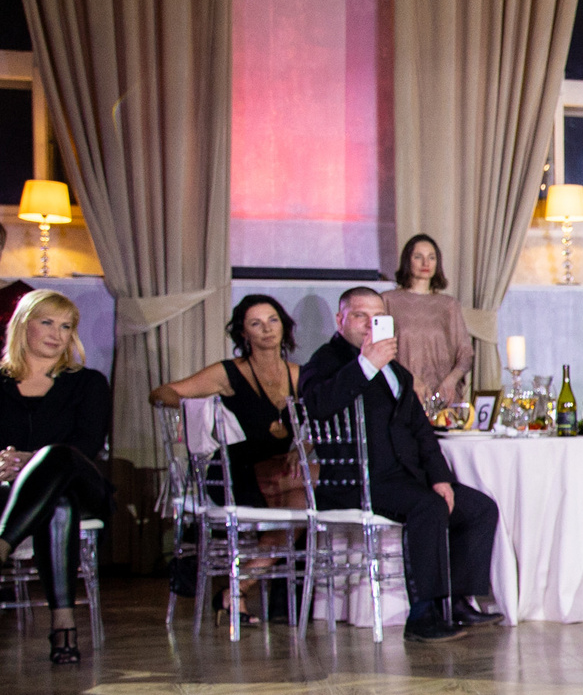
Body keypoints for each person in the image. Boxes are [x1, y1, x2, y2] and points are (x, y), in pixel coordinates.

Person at [300, 286, 503, 643]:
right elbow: (318, 405)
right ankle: (424, 613)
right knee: (427, 507)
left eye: (377, 318)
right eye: (360, 316)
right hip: (354, 480)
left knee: (479, 508)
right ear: (340, 319)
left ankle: (457, 601)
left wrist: (441, 478)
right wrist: (366, 365)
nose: (368, 325)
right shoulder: (326, 360)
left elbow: (422, 433)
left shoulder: (397, 372)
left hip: (402, 477)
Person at [0, 291, 112, 664]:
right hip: (14, 493)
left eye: (66, 326)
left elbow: (88, 444)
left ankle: (1, 545)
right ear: (23, 325)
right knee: (56, 504)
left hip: (84, 485)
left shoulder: (88, 383)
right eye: (47, 322)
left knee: (58, 456)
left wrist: (31, 460)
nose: (56, 333)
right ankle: (63, 622)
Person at [151, 294, 308, 509]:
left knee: (303, 494)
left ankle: (270, 543)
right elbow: (161, 393)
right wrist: (191, 409)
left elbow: (323, 415)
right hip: (233, 475)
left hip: (278, 471)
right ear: (244, 333)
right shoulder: (229, 372)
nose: (267, 329)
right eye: (256, 323)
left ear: (283, 325)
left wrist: (304, 448)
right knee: (314, 484)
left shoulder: (299, 374)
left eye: (273, 320)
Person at [382, 233, 475, 412]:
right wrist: (411, 381)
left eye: (431, 258)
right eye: (418, 257)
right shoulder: (388, 301)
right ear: (408, 260)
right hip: (403, 394)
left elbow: (465, 354)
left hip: (443, 397)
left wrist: (450, 381)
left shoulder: (449, 305)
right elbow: (382, 351)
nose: (426, 263)